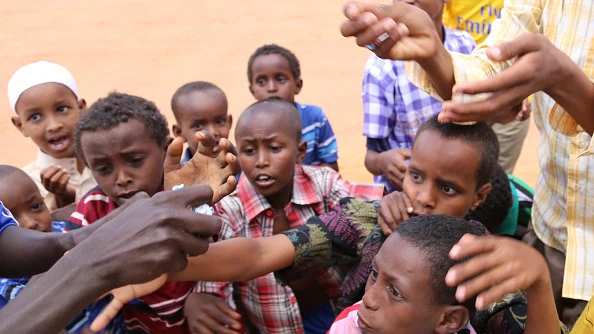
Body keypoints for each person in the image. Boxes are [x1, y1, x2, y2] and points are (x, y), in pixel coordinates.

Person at [340, 1, 594, 326]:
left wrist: (567, 84)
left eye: (446, 187)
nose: (424, 197)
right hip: (551, 230)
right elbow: (492, 68)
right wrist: (434, 55)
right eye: (415, 175)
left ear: (479, 196)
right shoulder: (379, 224)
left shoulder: (485, 274)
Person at [191, 98, 383, 334]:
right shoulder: (231, 208)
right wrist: (204, 296)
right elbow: (216, 269)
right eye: (249, 151)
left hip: (333, 315)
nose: (261, 161)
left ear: (300, 151)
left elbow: (367, 210)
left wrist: (391, 204)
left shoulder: (323, 183)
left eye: (274, 148)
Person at [68, 91, 236, 333]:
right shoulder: (93, 208)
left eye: (135, 161)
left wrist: (202, 293)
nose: (122, 178)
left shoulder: (187, 196)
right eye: (104, 168)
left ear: (167, 150)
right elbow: (70, 271)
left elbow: (226, 250)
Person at [362, 0, 476, 192]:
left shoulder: (465, 46)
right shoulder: (381, 69)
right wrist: (385, 162)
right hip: (407, 198)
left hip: (460, 189)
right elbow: (371, 157)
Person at [0, 165, 126, 333]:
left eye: (36, 206)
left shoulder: (64, 230)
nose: (30, 223)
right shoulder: (7, 278)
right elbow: (38, 311)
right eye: (11, 219)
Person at [441, 0, 531, 174]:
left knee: (497, 177)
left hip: (512, 99)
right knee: (458, 173)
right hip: (463, 93)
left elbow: (535, 33)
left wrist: (525, 92)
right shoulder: (462, 40)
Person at [7, 61, 97, 211]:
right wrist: (64, 200)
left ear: (81, 108)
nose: (53, 125)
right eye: (35, 117)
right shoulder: (23, 185)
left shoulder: (113, 163)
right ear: (20, 126)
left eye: (62, 109)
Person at [247, 44, 339, 171]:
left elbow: (332, 167)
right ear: (252, 90)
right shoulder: (249, 125)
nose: (271, 88)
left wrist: (295, 179)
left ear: (298, 85)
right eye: (261, 82)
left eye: (280, 79)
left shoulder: (315, 118)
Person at [171, 81, 233, 163]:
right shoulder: (178, 174)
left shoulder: (247, 165)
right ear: (179, 132)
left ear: (229, 122)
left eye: (219, 121)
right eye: (198, 126)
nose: (212, 132)